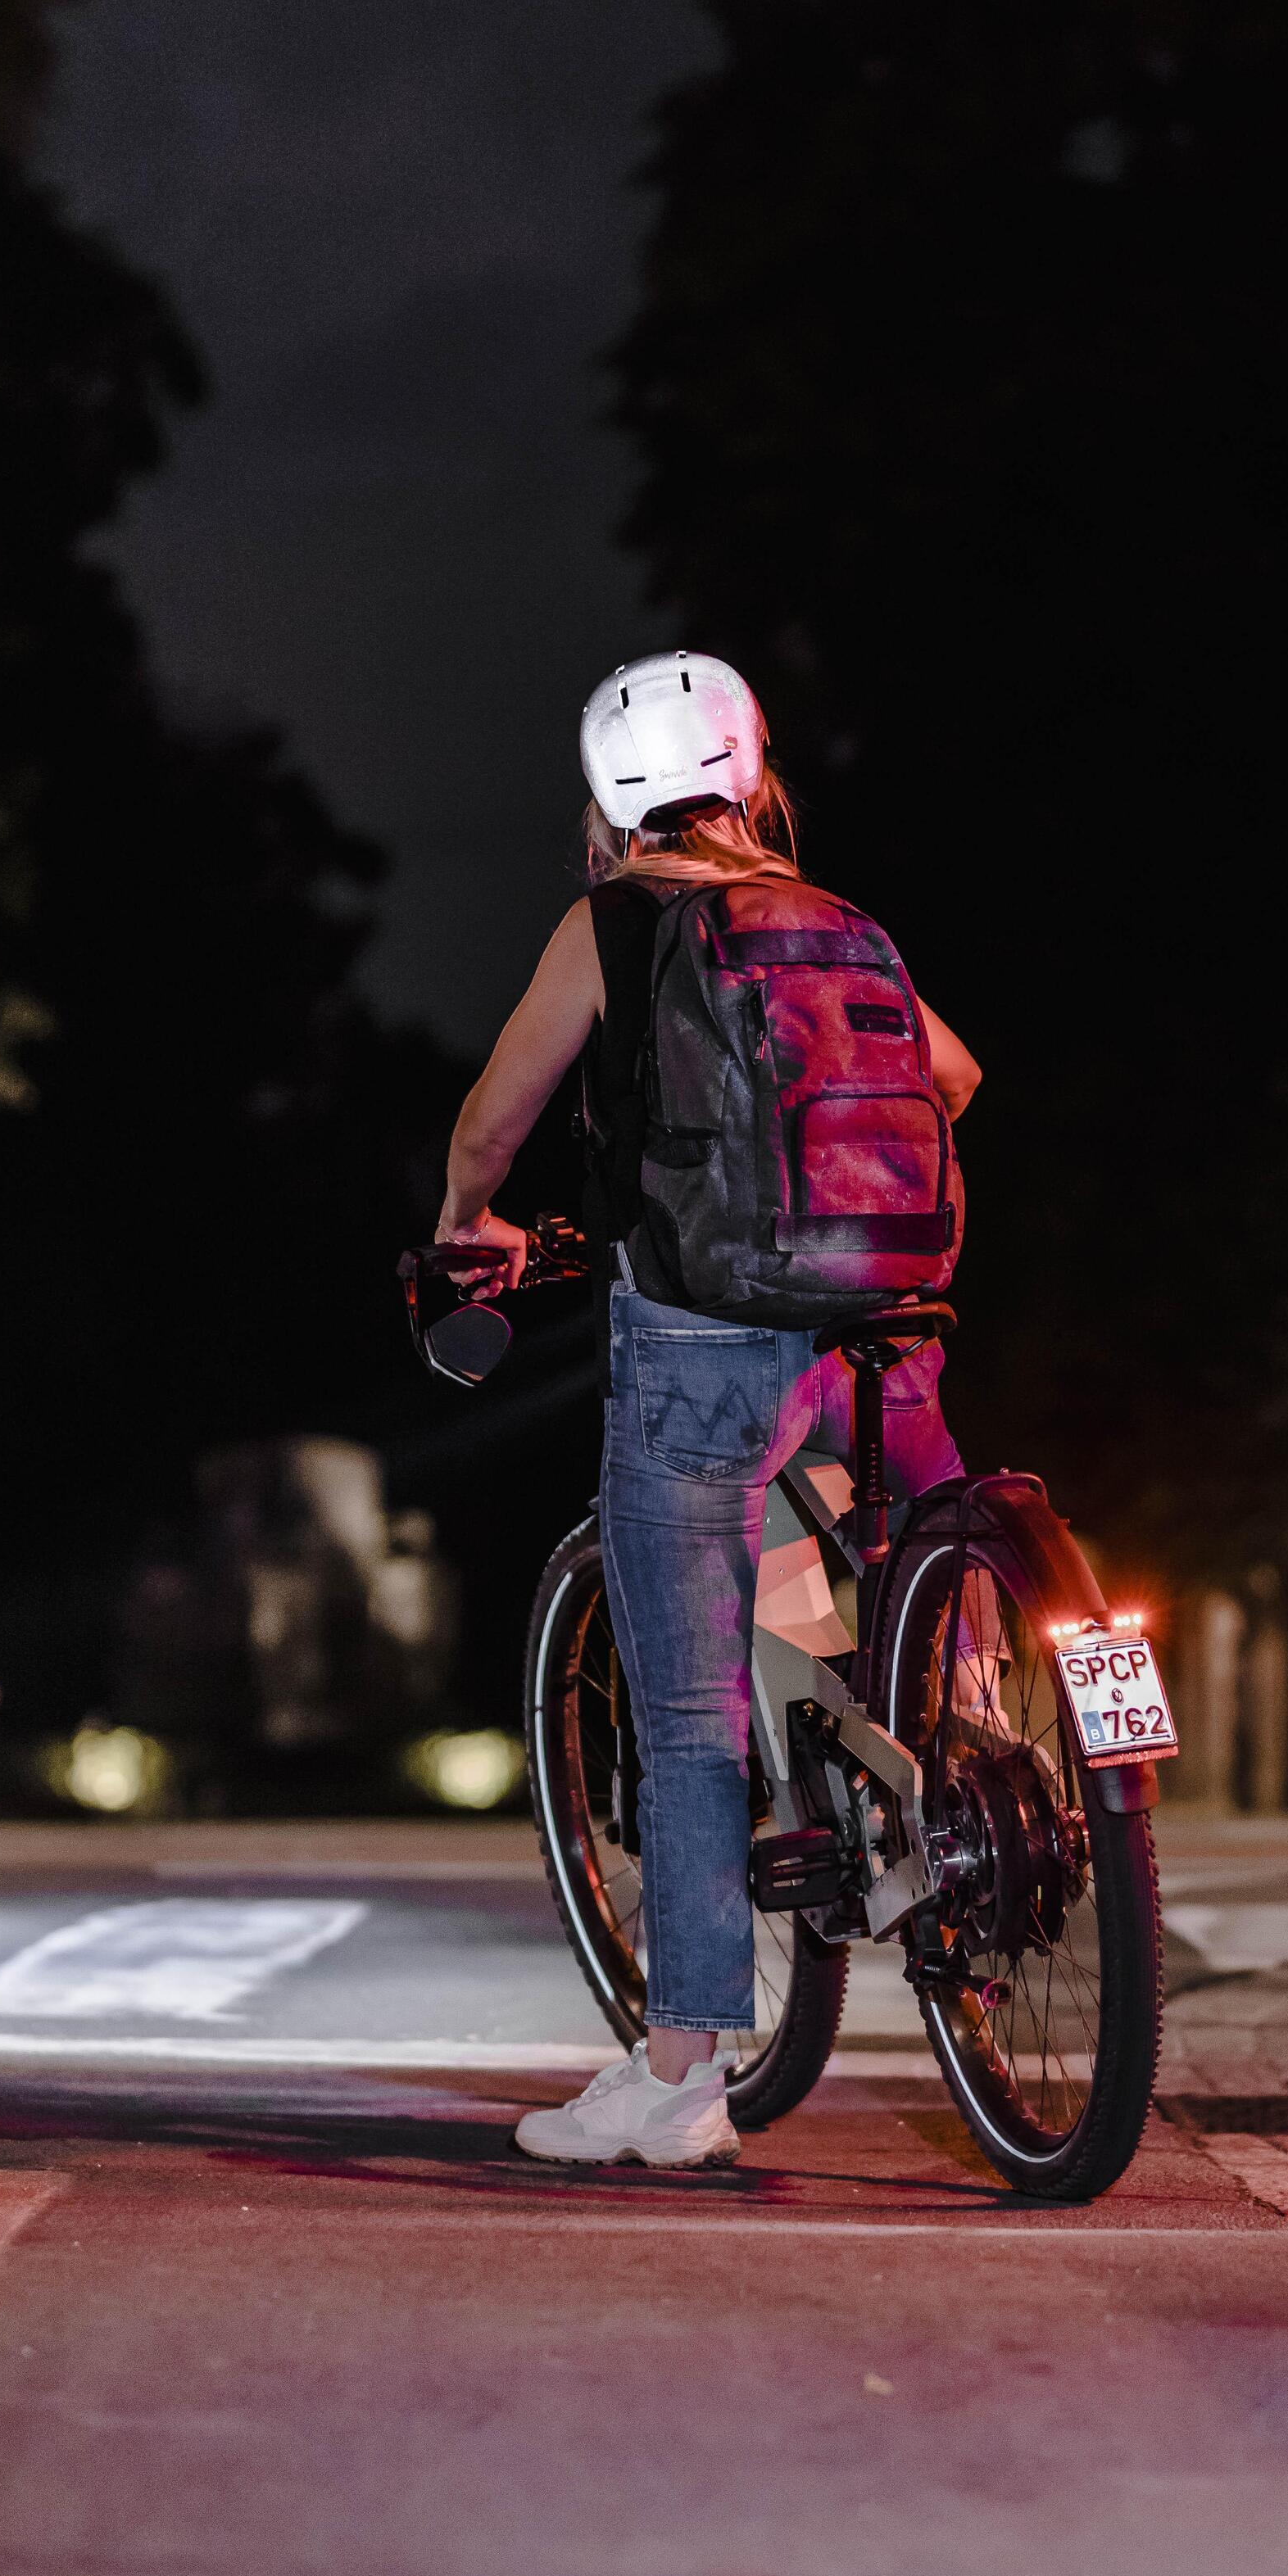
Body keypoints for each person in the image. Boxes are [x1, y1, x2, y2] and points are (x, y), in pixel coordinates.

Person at [435, 651, 978, 2167]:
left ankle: (681, 2075)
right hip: (880, 1331)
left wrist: (467, 1219)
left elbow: (494, 1117)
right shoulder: (835, 918)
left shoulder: (613, 921)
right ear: (751, 772)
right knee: (927, 1549)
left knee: (685, 1717)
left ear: (610, 804)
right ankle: (971, 1744)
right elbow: (954, 1075)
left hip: (700, 1336)